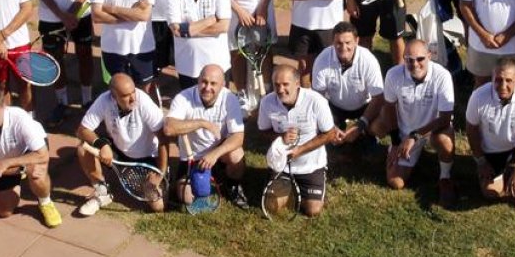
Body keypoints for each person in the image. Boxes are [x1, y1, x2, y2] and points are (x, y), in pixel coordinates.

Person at [465, 57, 515, 219]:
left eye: (508, 80)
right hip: (492, 151)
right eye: (498, 80)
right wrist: (481, 161)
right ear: (492, 77)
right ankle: (503, 172)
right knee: (490, 193)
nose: (503, 86)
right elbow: (471, 130)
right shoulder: (478, 96)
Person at [75, 74, 168, 215]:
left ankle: (162, 179)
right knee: (83, 148)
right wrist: (102, 144)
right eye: (126, 95)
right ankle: (102, 192)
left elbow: (163, 138)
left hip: (148, 158)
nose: (132, 98)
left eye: (133, 92)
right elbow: (82, 130)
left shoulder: (144, 102)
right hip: (118, 152)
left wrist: (160, 173)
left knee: (158, 206)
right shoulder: (104, 100)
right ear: (113, 96)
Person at [0, 88, 61, 227]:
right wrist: (19, 169)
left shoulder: (20, 117)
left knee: (37, 172)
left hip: (27, 152)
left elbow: (42, 154)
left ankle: (45, 202)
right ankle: (13, 182)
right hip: (2, 162)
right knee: (4, 211)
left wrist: (10, 163)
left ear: (3, 107)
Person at [380, 39, 456, 206]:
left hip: (434, 129)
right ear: (403, 58)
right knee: (395, 182)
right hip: (405, 132)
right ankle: (411, 156)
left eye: (420, 59)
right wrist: (395, 141)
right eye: (409, 59)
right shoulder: (393, 74)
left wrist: (415, 136)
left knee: (445, 139)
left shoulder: (443, 76)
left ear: (430, 56)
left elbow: (445, 117)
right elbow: (390, 109)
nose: (415, 64)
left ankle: (445, 177)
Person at [257, 65, 337, 217]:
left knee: (313, 210)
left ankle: (313, 186)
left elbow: (330, 134)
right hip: (282, 166)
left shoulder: (316, 101)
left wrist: (300, 150)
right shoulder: (267, 102)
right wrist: (280, 138)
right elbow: (262, 131)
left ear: (297, 83)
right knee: (272, 207)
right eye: (276, 85)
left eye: (285, 84)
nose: (280, 90)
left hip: (311, 167)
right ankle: (286, 185)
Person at [164, 65, 248, 208]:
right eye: (204, 81)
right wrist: (202, 123)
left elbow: (238, 137)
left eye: (213, 83)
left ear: (222, 85)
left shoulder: (230, 99)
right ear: (198, 80)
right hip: (192, 158)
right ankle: (195, 180)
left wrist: (215, 154)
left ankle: (232, 186)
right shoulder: (183, 97)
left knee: (236, 154)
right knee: (187, 199)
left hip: (218, 156)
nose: (207, 87)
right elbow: (169, 128)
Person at [167, 0, 232, 89]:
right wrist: (209, 20)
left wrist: (188, 30)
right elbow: (177, 31)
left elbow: (223, 27)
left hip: (218, 65)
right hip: (188, 67)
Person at [312, 22, 386, 147]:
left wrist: (361, 124)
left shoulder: (369, 60)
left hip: (364, 106)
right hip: (335, 106)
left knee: (380, 125)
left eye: (348, 43)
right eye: (339, 43)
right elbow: (317, 97)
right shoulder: (322, 59)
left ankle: (367, 133)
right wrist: (331, 126)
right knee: (317, 126)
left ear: (356, 41)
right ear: (333, 42)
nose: (343, 47)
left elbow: (378, 98)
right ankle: (336, 131)